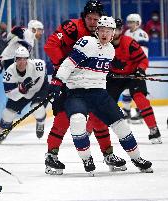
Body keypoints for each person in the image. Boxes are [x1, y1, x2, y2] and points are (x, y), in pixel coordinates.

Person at [49, 16, 153, 175]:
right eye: (102, 30)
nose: (105, 34)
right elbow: (69, 63)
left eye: (109, 31)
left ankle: (137, 158)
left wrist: (110, 73)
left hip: (98, 93)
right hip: (77, 92)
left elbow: (97, 70)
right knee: (77, 121)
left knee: (121, 125)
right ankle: (86, 158)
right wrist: (57, 81)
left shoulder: (110, 50)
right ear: (97, 31)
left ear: (113, 34)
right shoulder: (87, 43)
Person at [44, 0, 126, 175]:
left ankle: (108, 154)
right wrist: (62, 71)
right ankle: (51, 155)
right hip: (67, 81)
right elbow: (50, 45)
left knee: (99, 117)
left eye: (96, 19)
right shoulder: (71, 27)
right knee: (63, 118)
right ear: (84, 17)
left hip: (89, 84)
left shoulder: (101, 34)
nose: (92, 22)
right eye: (89, 18)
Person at [101, 18, 162, 144]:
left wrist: (140, 70)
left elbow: (143, 60)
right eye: (111, 30)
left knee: (140, 99)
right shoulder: (104, 44)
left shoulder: (129, 43)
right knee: (103, 103)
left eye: (117, 29)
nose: (114, 32)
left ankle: (153, 129)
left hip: (133, 75)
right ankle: (91, 131)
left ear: (121, 30)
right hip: (115, 78)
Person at [0, 46, 49, 143]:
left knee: (37, 108)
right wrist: (21, 89)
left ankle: (40, 121)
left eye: (24, 59)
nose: (21, 62)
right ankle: (2, 133)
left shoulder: (39, 65)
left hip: (40, 89)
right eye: (19, 59)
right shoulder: (10, 72)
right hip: (22, 93)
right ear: (15, 59)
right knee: (7, 113)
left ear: (28, 59)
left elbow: (50, 74)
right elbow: (9, 94)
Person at [120, 14, 149, 122]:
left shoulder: (142, 34)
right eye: (129, 22)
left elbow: (143, 54)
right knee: (126, 90)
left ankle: (140, 112)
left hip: (138, 67)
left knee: (138, 91)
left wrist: (139, 68)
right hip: (128, 67)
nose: (130, 24)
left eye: (132, 22)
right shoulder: (127, 33)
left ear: (138, 23)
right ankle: (126, 111)